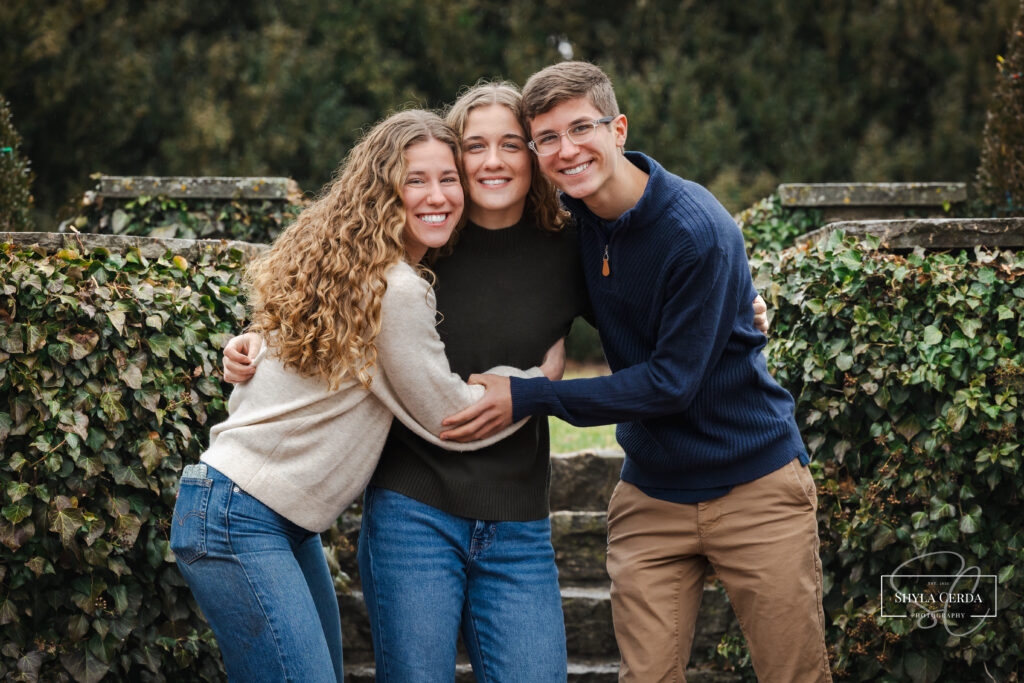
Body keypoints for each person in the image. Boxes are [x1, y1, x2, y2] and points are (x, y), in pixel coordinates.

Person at [223, 84, 770, 682]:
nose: (493, 160)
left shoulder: (571, 245)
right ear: (453, 157)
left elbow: (649, 297)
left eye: (511, 144)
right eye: (475, 145)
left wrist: (741, 303)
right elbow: (327, 286)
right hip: (414, 511)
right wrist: (253, 340)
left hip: (518, 521)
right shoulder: (423, 233)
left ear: (533, 155)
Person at [440, 62, 832, 683]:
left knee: (795, 675)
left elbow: (671, 384)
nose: (566, 151)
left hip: (755, 485)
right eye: (547, 138)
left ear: (618, 128)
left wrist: (531, 396)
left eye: (581, 128)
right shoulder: (575, 228)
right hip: (652, 494)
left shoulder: (695, 230)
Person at [169, 109, 562, 683]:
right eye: (415, 180)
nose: (438, 195)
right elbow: (451, 417)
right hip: (239, 517)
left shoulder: (350, 268)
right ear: (383, 192)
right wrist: (537, 384)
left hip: (258, 517)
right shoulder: (395, 288)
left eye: (448, 178)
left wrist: (247, 344)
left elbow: (277, 351)